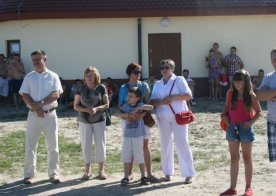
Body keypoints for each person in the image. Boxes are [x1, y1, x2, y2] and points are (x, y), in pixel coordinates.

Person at [19, 50, 63, 184]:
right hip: (33, 116)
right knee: (30, 145)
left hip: (50, 115)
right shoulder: (29, 77)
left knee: (53, 145)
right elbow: (24, 93)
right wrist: (35, 107)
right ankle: (29, 174)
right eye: (33, 60)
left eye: (38, 59)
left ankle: (53, 174)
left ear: (45, 59)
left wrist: (40, 104)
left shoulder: (53, 76)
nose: (35, 62)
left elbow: (56, 94)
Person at [150, 59, 195, 184]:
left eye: (167, 67)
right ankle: (167, 172)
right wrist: (161, 102)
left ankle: (188, 174)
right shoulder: (158, 83)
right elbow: (152, 101)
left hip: (179, 116)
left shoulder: (179, 80)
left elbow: (188, 95)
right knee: (165, 144)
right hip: (163, 116)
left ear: (172, 69)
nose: (164, 70)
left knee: (182, 143)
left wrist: (173, 97)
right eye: (162, 68)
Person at [220, 69, 261, 196]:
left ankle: (248, 188)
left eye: (240, 80)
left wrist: (250, 123)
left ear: (246, 81)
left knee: (247, 158)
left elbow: (259, 112)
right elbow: (226, 110)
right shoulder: (230, 93)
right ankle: (232, 188)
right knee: (234, 158)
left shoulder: (251, 95)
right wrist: (224, 118)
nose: (237, 83)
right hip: (232, 128)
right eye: (235, 80)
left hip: (246, 129)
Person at [118, 62, 158, 183]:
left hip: (143, 120)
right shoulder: (123, 88)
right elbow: (120, 105)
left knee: (145, 146)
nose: (139, 74)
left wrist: (141, 115)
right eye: (136, 72)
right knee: (130, 147)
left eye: (140, 71)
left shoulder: (144, 86)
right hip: (128, 121)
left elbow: (148, 103)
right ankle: (129, 174)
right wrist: (127, 116)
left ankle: (148, 174)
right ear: (130, 73)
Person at [74, 66, 109, 180]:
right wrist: (86, 110)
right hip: (84, 121)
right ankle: (87, 171)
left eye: (91, 75)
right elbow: (76, 106)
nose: (89, 77)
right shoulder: (80, 88)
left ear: (96, 76)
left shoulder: (101, 88)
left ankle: (101, 170)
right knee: (86, 145)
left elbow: (107, 104)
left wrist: (96, 109)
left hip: (99, 120)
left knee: (100, 144)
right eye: (87, 75)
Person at [114, 87, 152, 186]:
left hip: (138, 135)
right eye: (128, 96)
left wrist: (138, 108)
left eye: (131, 96)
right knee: (126, 156)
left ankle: (143, 176)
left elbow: (150, 107)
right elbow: (116, 113)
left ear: (138, 98)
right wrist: (127, 114)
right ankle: (126, 176)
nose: (128, 98)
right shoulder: (125, 106)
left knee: (139, 155)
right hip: (127, 136)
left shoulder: (140, 105)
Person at [256, 48, 276, 162]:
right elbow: (259, 95)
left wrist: (269, 94)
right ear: (271, 61)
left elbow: (265, 95)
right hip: (272, 121)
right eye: (274, 59)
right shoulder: (268, 77)